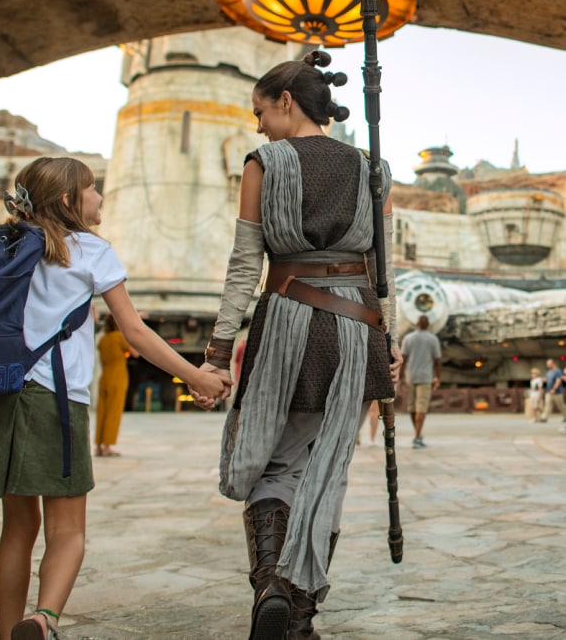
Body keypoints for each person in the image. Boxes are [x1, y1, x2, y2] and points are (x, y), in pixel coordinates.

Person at [0, 157, 230, 640]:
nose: (100, 197)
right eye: (92, 189)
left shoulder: (3, 245)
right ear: (69, 200)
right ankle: (43, 620)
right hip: (54, 400)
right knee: (67, 531)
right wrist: (197, 377)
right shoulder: (88, 251)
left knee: (16, 530)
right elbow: (136, 333)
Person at [190, 50, 402, 640]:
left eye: (260, 110)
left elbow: (243, 267)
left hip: (287, 321)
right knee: (326, 468)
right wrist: (388, 340)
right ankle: (300, 609)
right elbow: (382, 269)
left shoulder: (264, 162)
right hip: (357, 327)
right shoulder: (370, 167)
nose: (257, 124)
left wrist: (215, 351)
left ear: (286, 102)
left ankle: (272, 588)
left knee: (272, 462)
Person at [95, 313, 138, 457]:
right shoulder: (119, 337)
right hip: (118, 376)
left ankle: (99, 446)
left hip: (104, 376)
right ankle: (107, 446)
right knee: (114, 411)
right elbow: (135, 353)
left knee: (102, 411)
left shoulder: (103, 340)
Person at [400, 314, 441, 448]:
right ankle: (417, 437)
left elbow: (403, 359)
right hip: (425, 377)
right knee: (421, 407)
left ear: (416, 324)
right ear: (428, 325)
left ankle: (417, 434)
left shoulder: (408, 338)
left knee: (412, 408)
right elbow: (437, 360)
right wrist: (437, 377)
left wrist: (400, 377)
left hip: (410, 377)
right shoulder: (433, 339)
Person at [539, 358, 566, 424]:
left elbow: (558, 380)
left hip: (557, 392)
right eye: (547, 364)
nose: (548, 365)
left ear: (553, 363)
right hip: (549, 391)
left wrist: (554, 389)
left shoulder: (557, 371)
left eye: (549, 364)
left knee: (561, 406)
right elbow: (548, 380)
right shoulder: (548, 372)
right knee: (547, 405)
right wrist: (544, 380)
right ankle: (544, 417)